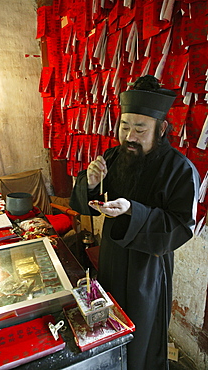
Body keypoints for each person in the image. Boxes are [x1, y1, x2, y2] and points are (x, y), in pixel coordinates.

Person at [69, 75, 200, 370]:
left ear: (162, 128)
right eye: (125, 127)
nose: (130, 136)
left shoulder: (180, 169)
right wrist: (90, 183)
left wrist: (132, 211)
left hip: (148, 269)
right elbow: (88, 202)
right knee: (110, 324)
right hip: (113, 256)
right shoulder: (116, 156)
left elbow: (180, 227)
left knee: (143, 337)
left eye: (140, 129)